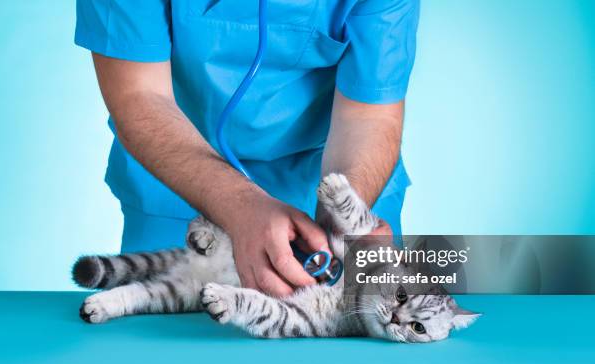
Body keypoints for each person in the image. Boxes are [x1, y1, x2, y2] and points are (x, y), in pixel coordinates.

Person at [75, 0, 419, 297]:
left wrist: (345, 212)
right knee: (170, 351)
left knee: (358, 355)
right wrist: (240, 206)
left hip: (328, 184)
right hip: (178, 190)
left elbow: (368, 114)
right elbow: (139, 96)